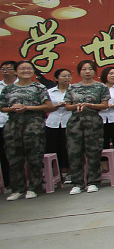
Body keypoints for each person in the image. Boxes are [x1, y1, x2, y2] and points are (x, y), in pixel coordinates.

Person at [1, 61, 52, 200]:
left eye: (29, 68)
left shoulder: (39, 87)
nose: (26, 71)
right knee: (14, 158)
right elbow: (2, 107)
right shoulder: (8, 89)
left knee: (34, 157)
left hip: (33, 124)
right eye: (22, 69)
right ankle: (17, 189)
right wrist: (12, 109)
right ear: (16, 72)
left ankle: (35, 187)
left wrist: (27, 108)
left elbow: (47, 106)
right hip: (13, 125)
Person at [65, 60, 109, 194]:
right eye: (84, 69)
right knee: (74, 152)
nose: (87, 71)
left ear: (95, 71)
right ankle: (77, 183)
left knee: (93, 151)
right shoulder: (72, 87)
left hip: (93, 120)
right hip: (75, 121)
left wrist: (90, 106)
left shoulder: (101, 87)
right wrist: (76, 106)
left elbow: (104, 105)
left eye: (90, 69)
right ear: (79, 72)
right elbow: (67, 106)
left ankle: (93, 181)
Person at [44, 67, 73, 185]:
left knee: (68, 148)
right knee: (53, 148)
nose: (67, 78)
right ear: (56, 78)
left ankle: (70, 173)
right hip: (53, 123)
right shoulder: (50, 92)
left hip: (69, 121)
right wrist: (56, 106)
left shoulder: (74, 90)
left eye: (69, 76)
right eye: (63, 76)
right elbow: (46, 107)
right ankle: (56, 174)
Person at [0, 60, 17, 186]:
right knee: (3, 154)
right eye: (3, 68)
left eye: (9, 68)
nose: (5, 71)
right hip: (1, 124)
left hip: (16, 124)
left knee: (16, 153)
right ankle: (8, 182)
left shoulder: (25, 85)